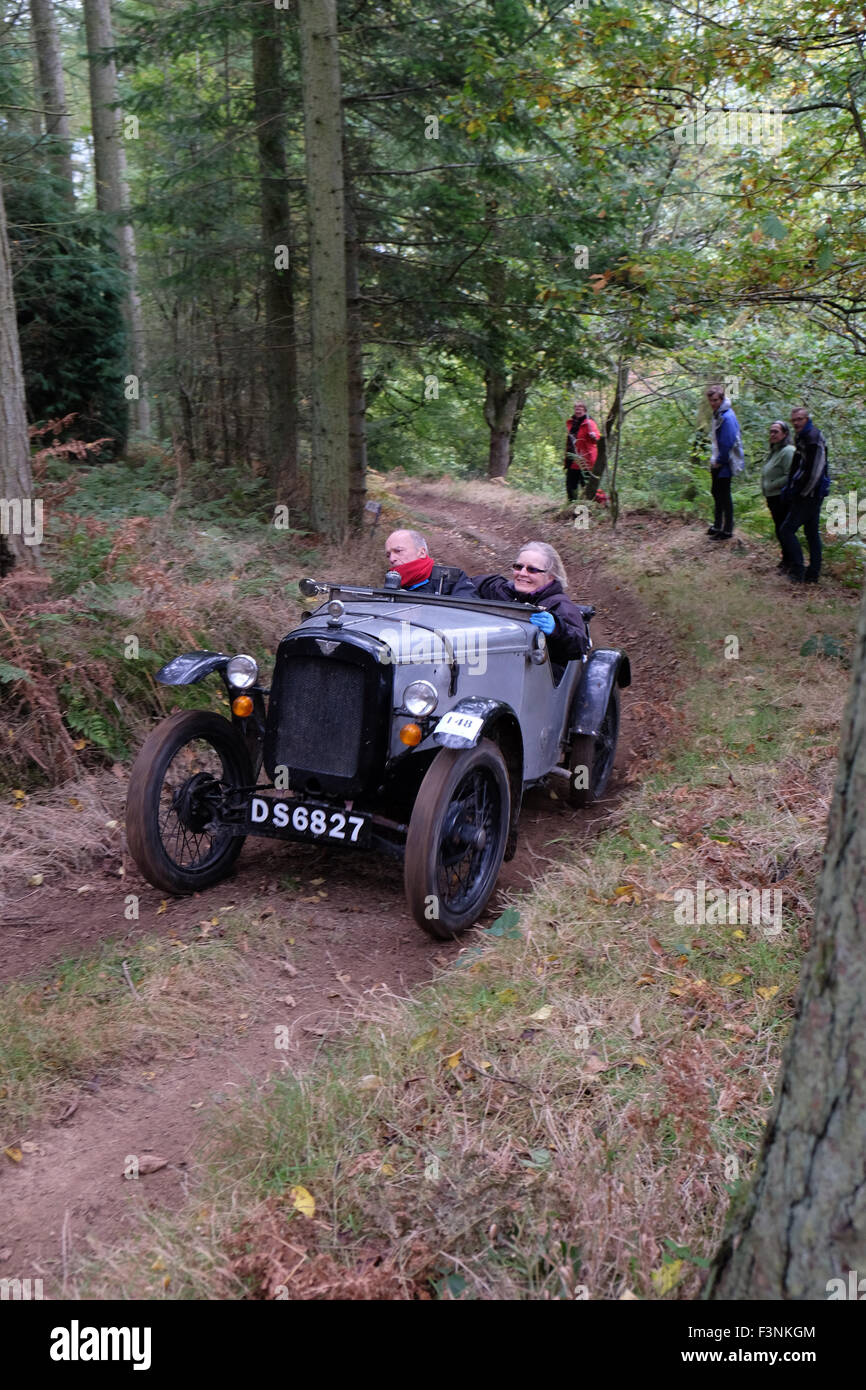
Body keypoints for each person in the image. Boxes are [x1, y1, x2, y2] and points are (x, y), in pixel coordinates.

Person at [470, 541, 589, 671]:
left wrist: (558, 629)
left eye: (532, 570)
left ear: (550, 576)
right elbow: (461, 583)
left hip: (538, 679)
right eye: (518, 566)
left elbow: (579, 647)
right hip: (491, 667)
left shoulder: (561, 606)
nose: (522, 573)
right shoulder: (499, 589)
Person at [779, 407, 829, 584]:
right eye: (794, 420)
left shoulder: (814, 439)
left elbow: (816, 472)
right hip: (804, 492)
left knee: (786, 530)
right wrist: (789, 486)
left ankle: (799, 570)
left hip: (811, 494)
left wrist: (802, 494)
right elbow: (797, 463)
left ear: (807, 419)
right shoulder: (802, 437)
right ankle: (812, 574)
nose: (796, 423)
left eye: (799, 419)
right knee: (811, 533)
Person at [384, 529, 475, 596]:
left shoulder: (452, 580)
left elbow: (470, 615)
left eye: (398, 551)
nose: (392, 559)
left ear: (422, 553)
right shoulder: (390, 587)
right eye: (388, 555)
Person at [705, 385, 744, 539]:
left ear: (721, 399)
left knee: (724, 495)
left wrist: (719, 461)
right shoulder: (719, 414)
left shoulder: (727, 417)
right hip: (718, 459)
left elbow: (727, 442)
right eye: (710, 400)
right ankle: (717, 525)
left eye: (715, 400)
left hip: (725, 462)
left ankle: (727, 530)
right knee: (717, 493)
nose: (713, 403)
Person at [761, 421, 795, 571]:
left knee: (784, 530)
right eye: (771, 431)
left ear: (785, 434)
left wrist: (772, 484)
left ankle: (791, 562)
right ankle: (786, 560)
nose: (772, 434)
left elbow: (791, 475)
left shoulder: (788, 451)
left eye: (776, 431)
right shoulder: (775, 451)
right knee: (779, 529)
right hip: (772, 497)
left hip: (782, 497)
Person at [563, 401, 601, 502]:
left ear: (584, 410)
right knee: (571, 484)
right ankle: (572, 505)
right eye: (576, 408)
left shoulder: (589, 423)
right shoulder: (572, 423)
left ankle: (592, 505)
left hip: (586, 459)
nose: (578, 410)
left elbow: (597, 439)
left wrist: (594, 436)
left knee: (587, 485)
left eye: (580, 408)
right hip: (573, 459)